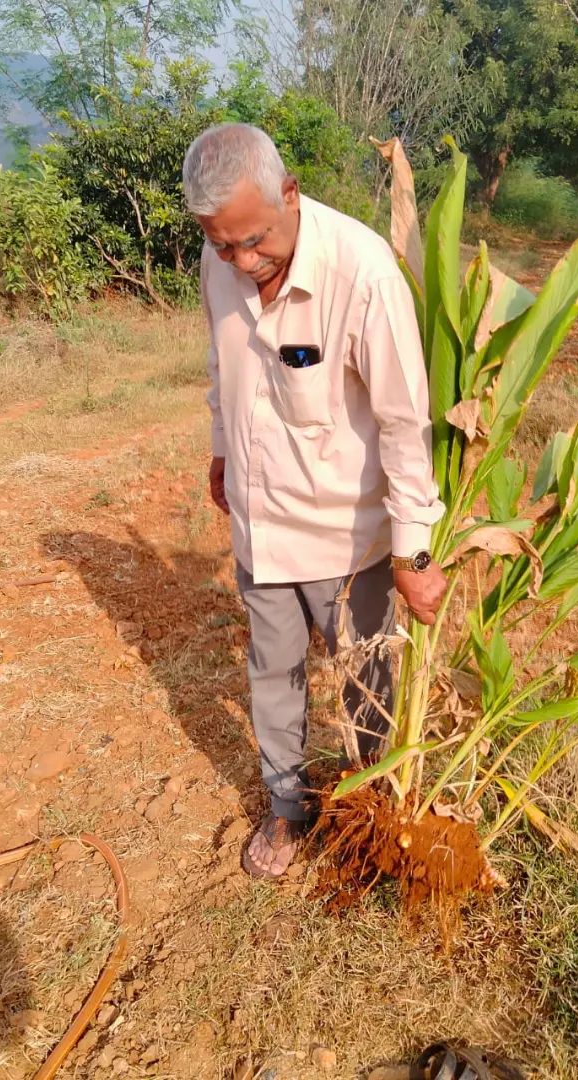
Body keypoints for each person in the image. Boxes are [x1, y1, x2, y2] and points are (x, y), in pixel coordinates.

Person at [182, 123, 447, 879]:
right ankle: (287, 810)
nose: (242, 261)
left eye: (254, 240)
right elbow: (221, 362)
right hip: (261, 526)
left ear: (290, 193)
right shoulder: (220, 258)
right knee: (272, 670)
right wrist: (223, 448)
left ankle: (378, 808)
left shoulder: (362, 274)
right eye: (222, 244)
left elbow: (403, 422)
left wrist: (413, 549)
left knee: (366, 679)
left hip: (346, 534)